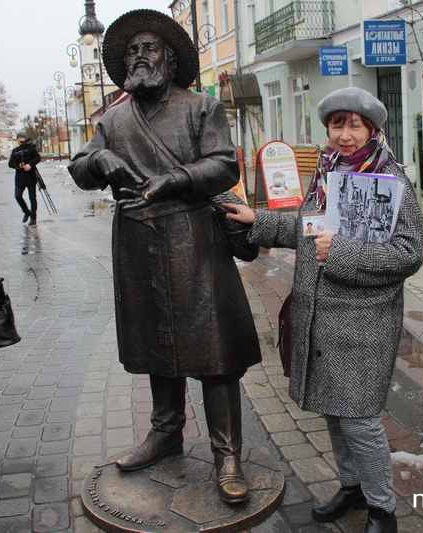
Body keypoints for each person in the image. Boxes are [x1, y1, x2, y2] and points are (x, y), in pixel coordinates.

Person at [69, 9, 261, 504]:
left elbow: (223, 164)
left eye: (149, 48)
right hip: (136, 242)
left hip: (194, 240)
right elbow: (80, 166)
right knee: (156, 342)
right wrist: (98, 159)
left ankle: (227, 453)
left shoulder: (200, 108)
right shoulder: (112, 118)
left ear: (171, 60)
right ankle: (165, 432)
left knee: (213, 351)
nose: (139, 57)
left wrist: (176, 180)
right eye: (132, 51)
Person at [225, 87, 423, 533]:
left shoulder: (394, 181)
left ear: (372, 129)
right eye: (338, 124)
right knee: (334, 411)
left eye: (355, 125)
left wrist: (342, 252)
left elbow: (410, 253)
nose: (345, 135)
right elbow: (306, 226)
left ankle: (382, 510)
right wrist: (257, 220)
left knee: (359, 419)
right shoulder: (326, 173)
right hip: (320, 313)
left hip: (365, 320)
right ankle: (352, 486)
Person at [8, 132, 41, 226]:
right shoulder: (15, 150)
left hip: (31, 176)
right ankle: (27, 212)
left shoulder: (31, 148)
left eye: (23, 138)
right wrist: (18, 166)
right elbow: (10, 164)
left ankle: (33, 218)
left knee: (32, 198)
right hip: (20, 178)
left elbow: (38, 158)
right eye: (19, 139)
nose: (21, 140)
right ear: (17, 140)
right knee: (17, 196)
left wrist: (30, 165)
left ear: (25, 139)